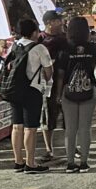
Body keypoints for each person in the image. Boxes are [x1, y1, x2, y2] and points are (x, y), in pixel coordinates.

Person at [54, 17, 96, 173]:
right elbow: (94, 66)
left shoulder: (64, 49)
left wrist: (58, 94)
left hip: (68, 91)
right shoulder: (93, 47)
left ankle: (70, 163)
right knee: (85, 128)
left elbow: (60, 74)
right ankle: (84, 162)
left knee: (71, 129)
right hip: (88, 89)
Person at [9, 19, 53, 174]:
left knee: (16, 126)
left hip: (14, 90)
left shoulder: (14, 46)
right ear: (34, 32)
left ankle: (18, 161)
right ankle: (31, 163)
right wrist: (46, 81)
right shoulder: (39, 48)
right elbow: (48, 71)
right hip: (32, 90)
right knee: (31, 128)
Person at [39, 10, 68, 161]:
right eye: (58, 20)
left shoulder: (65, 38)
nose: (61, 22)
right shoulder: (40, 39)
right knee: (47, 117)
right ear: (50, 22)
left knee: (68, 118)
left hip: (66, 83)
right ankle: (49, 149)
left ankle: (71, 147)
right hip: (47, 85)